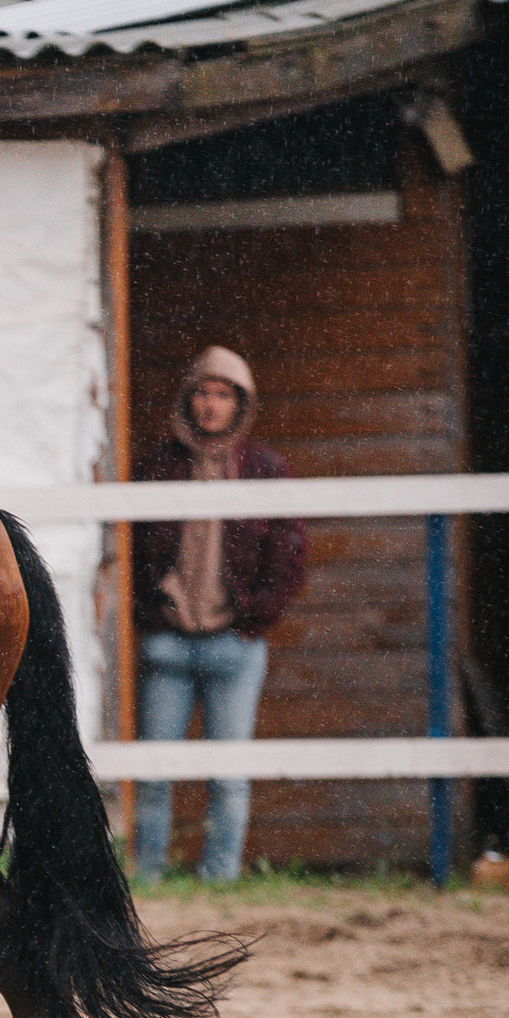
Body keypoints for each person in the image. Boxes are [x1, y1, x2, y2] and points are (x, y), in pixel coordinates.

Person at [129, 346, 308, 882]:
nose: (211, 405)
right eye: (203, 392)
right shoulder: (157, 467)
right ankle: (147, 877)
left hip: (235, 644)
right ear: (188, 399)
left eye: (224, 394)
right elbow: (129, 549)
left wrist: (254, 618)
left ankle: (221, 879)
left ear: (241, 403)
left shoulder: (265, 471)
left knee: (229, 774)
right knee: (154, 771)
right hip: (168, 642)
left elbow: (290, 555)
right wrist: (150, 608)